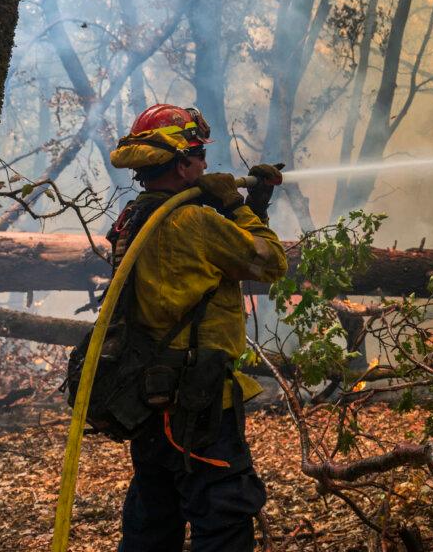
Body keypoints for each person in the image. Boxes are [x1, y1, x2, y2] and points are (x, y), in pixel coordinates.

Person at [107, 104, 287, 552]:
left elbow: (205, 261)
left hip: (148, 398)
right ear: (182, 164)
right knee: (222, 515)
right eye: (199, 157)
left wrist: (253, 204)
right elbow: (271, 263)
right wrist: (233, 204)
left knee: (154, 519)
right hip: (198, 401)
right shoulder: (197, 221)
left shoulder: (135, 218)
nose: (207, 165)